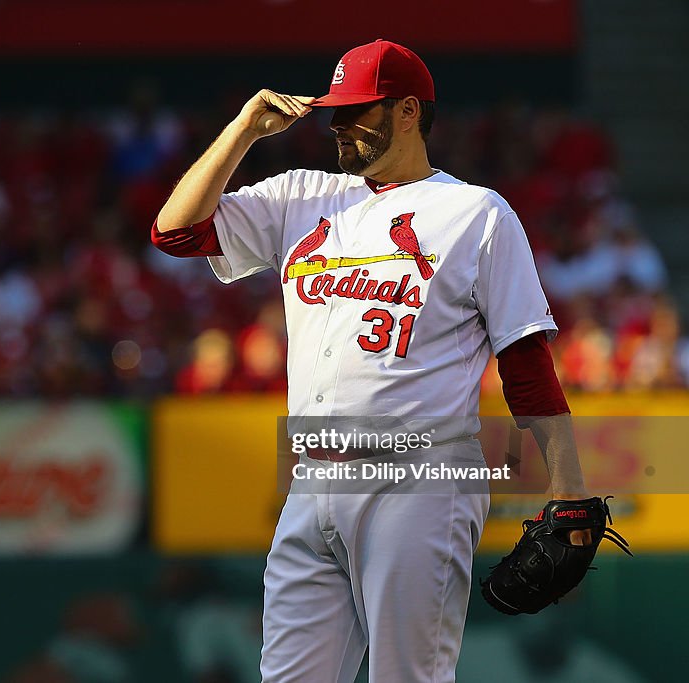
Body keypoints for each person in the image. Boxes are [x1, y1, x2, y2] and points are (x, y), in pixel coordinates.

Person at [151, 39, 595, 682]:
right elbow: (177, 233)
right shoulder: (302, 196)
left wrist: (568, 487)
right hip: (311, 475)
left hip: (420, 477)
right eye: (335, 110)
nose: (337, 124)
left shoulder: (475, 212)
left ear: (409, 111)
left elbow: (525, 360)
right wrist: (244, 129)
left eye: (357, 110)